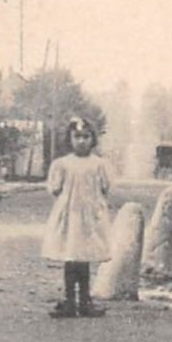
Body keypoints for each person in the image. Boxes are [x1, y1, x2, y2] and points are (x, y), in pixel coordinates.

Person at [41, 117, 113, 318]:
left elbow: (105, 187)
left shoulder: (99, 164)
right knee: (71, 257)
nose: (81, 141)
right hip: (70, 215)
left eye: (86, 137)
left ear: (93, 139)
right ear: (70, 139)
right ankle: (70, 301)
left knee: (85, 257)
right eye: (77, 137)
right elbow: (55, 188)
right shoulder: (62, 164)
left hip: (90, 216)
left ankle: (85, 301)